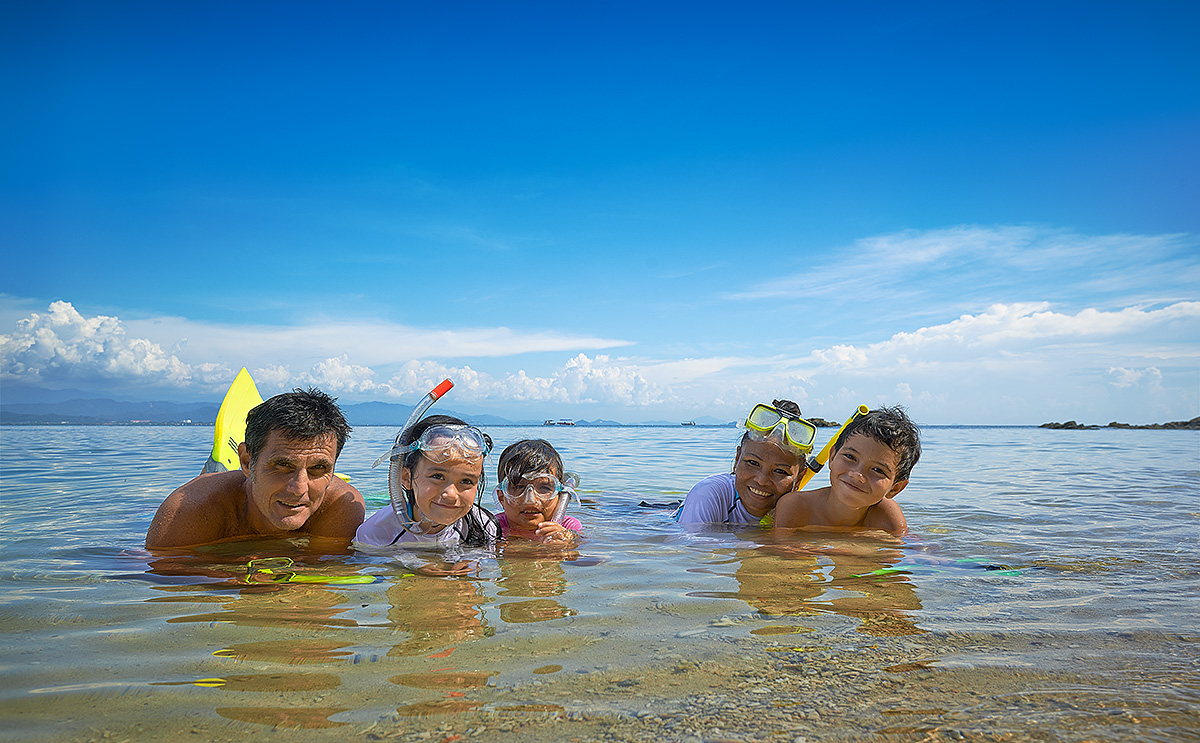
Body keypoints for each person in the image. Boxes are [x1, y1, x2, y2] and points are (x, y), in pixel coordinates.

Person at [146, 388, 365, 549]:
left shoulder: (340, 506)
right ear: (247, 462)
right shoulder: (190, 511)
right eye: (282, 465)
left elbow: (323, 582)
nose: (299, 489)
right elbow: (164, 582)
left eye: (318, 468)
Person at [354, 415, 498, 549]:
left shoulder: (484, 527)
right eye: (438, 476)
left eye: (466, 481)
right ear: (406, 478)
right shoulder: (376, 533)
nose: (451, 495)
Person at [774, 406, 920, 534]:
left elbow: (905, 550)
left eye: (877, 470)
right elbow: (782, 551)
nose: (857, 475)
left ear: (895, 488)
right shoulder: (795, 507)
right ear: (832, 457)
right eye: (850, 457)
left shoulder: (887, 516)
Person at [676, 400, 812, 526]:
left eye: (780, 471)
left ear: (799, 478)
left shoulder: (800, 513)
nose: (762, 481)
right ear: (737, 459)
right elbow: (692, 543)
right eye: (753, 463)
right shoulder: (708, 494)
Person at [494, 439, 582, 543]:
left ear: (559, 496)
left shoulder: (568, 526)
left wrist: (568, 542)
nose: (530, 500)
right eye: (519, 487)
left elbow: (582, 545)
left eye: (544, 488)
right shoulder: (493, 527)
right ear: (501, 497)